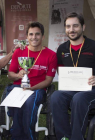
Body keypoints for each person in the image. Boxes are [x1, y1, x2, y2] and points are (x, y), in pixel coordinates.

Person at [5, 21, 57, 140]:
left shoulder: (51, 55)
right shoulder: (19, 51)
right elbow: (10, 75)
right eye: (31, 34)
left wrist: (32, 88)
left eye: (37, 34)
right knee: (17, 104)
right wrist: (19, 75)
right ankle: (17, 136)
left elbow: (48, 80)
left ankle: (28, 136)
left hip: (37, 88)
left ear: (42, 36)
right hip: (18, 87)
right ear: (27, 36)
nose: (34, 37)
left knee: (28, 102)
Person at [50, 12, 95, 140]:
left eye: (75, 26)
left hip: (91, 90)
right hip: (72, 89)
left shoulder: (93, 46)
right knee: (56, 96)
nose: (71, 30)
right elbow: (60, 69)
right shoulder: (62, 49)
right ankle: (64, 137)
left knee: (79, 98)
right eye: (68, 26)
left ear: (83, 27)